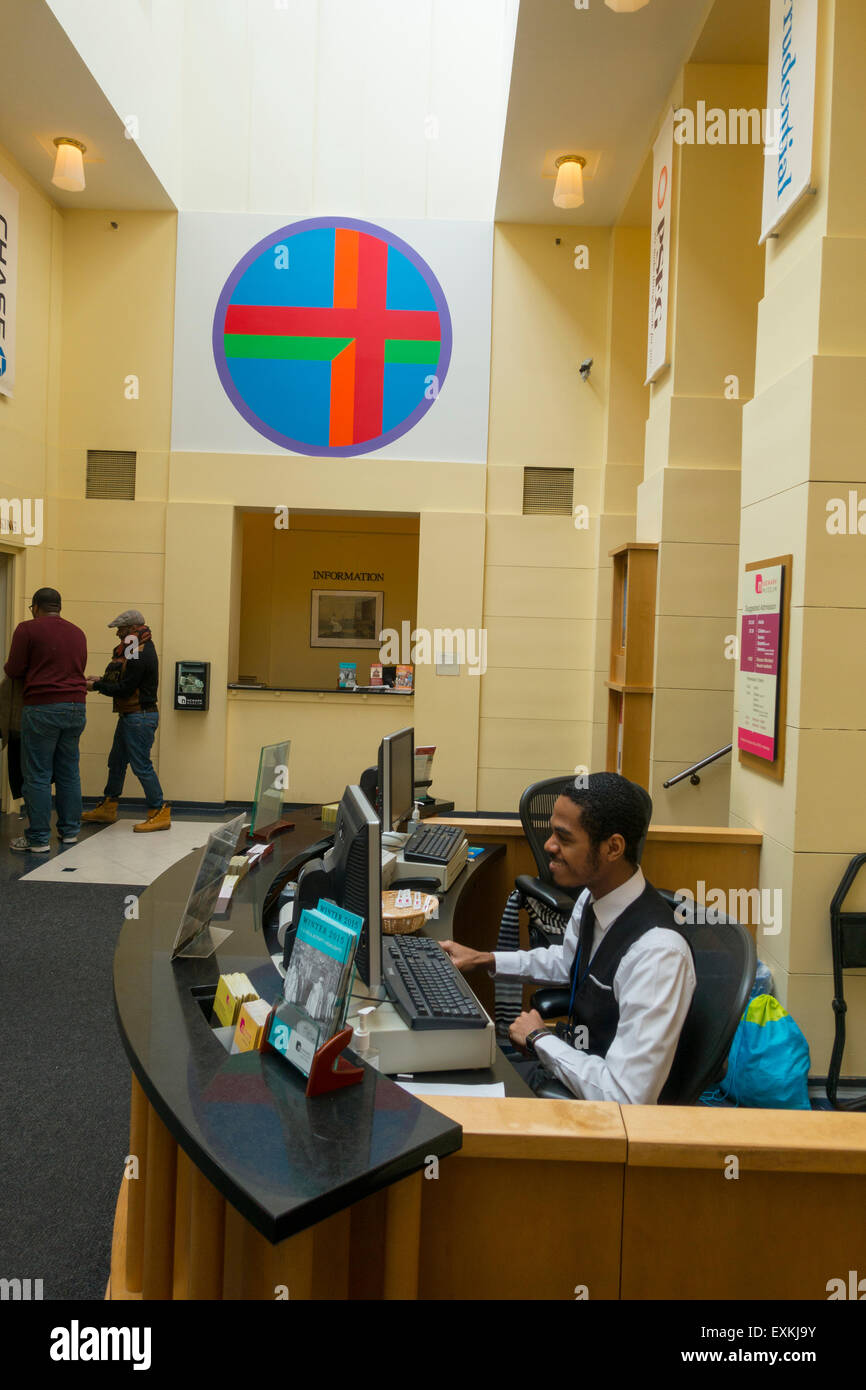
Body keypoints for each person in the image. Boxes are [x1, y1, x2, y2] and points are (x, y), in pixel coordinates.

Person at [441, 772, 696, 1105]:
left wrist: (539, 1038)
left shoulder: (658, 955)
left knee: (456, 1104)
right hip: (572, 1071)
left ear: (613, 848)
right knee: (450, 1075)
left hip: (602, 1117)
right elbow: (568, 962)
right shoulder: (595, 899)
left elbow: (627, 1098)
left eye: (564, 837)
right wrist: (484, 959)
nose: (549, 845)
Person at [3, 588, 87, 853]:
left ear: (36, 607)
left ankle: (38, 839)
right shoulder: (77, 632)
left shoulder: (27, 629)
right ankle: (70, 832)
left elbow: (13, 669)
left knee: (38, 775)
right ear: (59, 607)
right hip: (76, 708)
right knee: (69, 772)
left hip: (42, 708)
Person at [83, 609, 171, 833]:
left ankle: (159, 812)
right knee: (117, 762)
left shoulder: (140, 650)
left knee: (141, 765)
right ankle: (108, 806)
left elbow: (126, 688)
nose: (118, 634)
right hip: (131, 716)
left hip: (140, 717)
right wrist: (102, 679)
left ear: (133, 628)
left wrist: (97, 686)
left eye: (121, 630)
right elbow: (126, 678)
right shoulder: (134, 646)